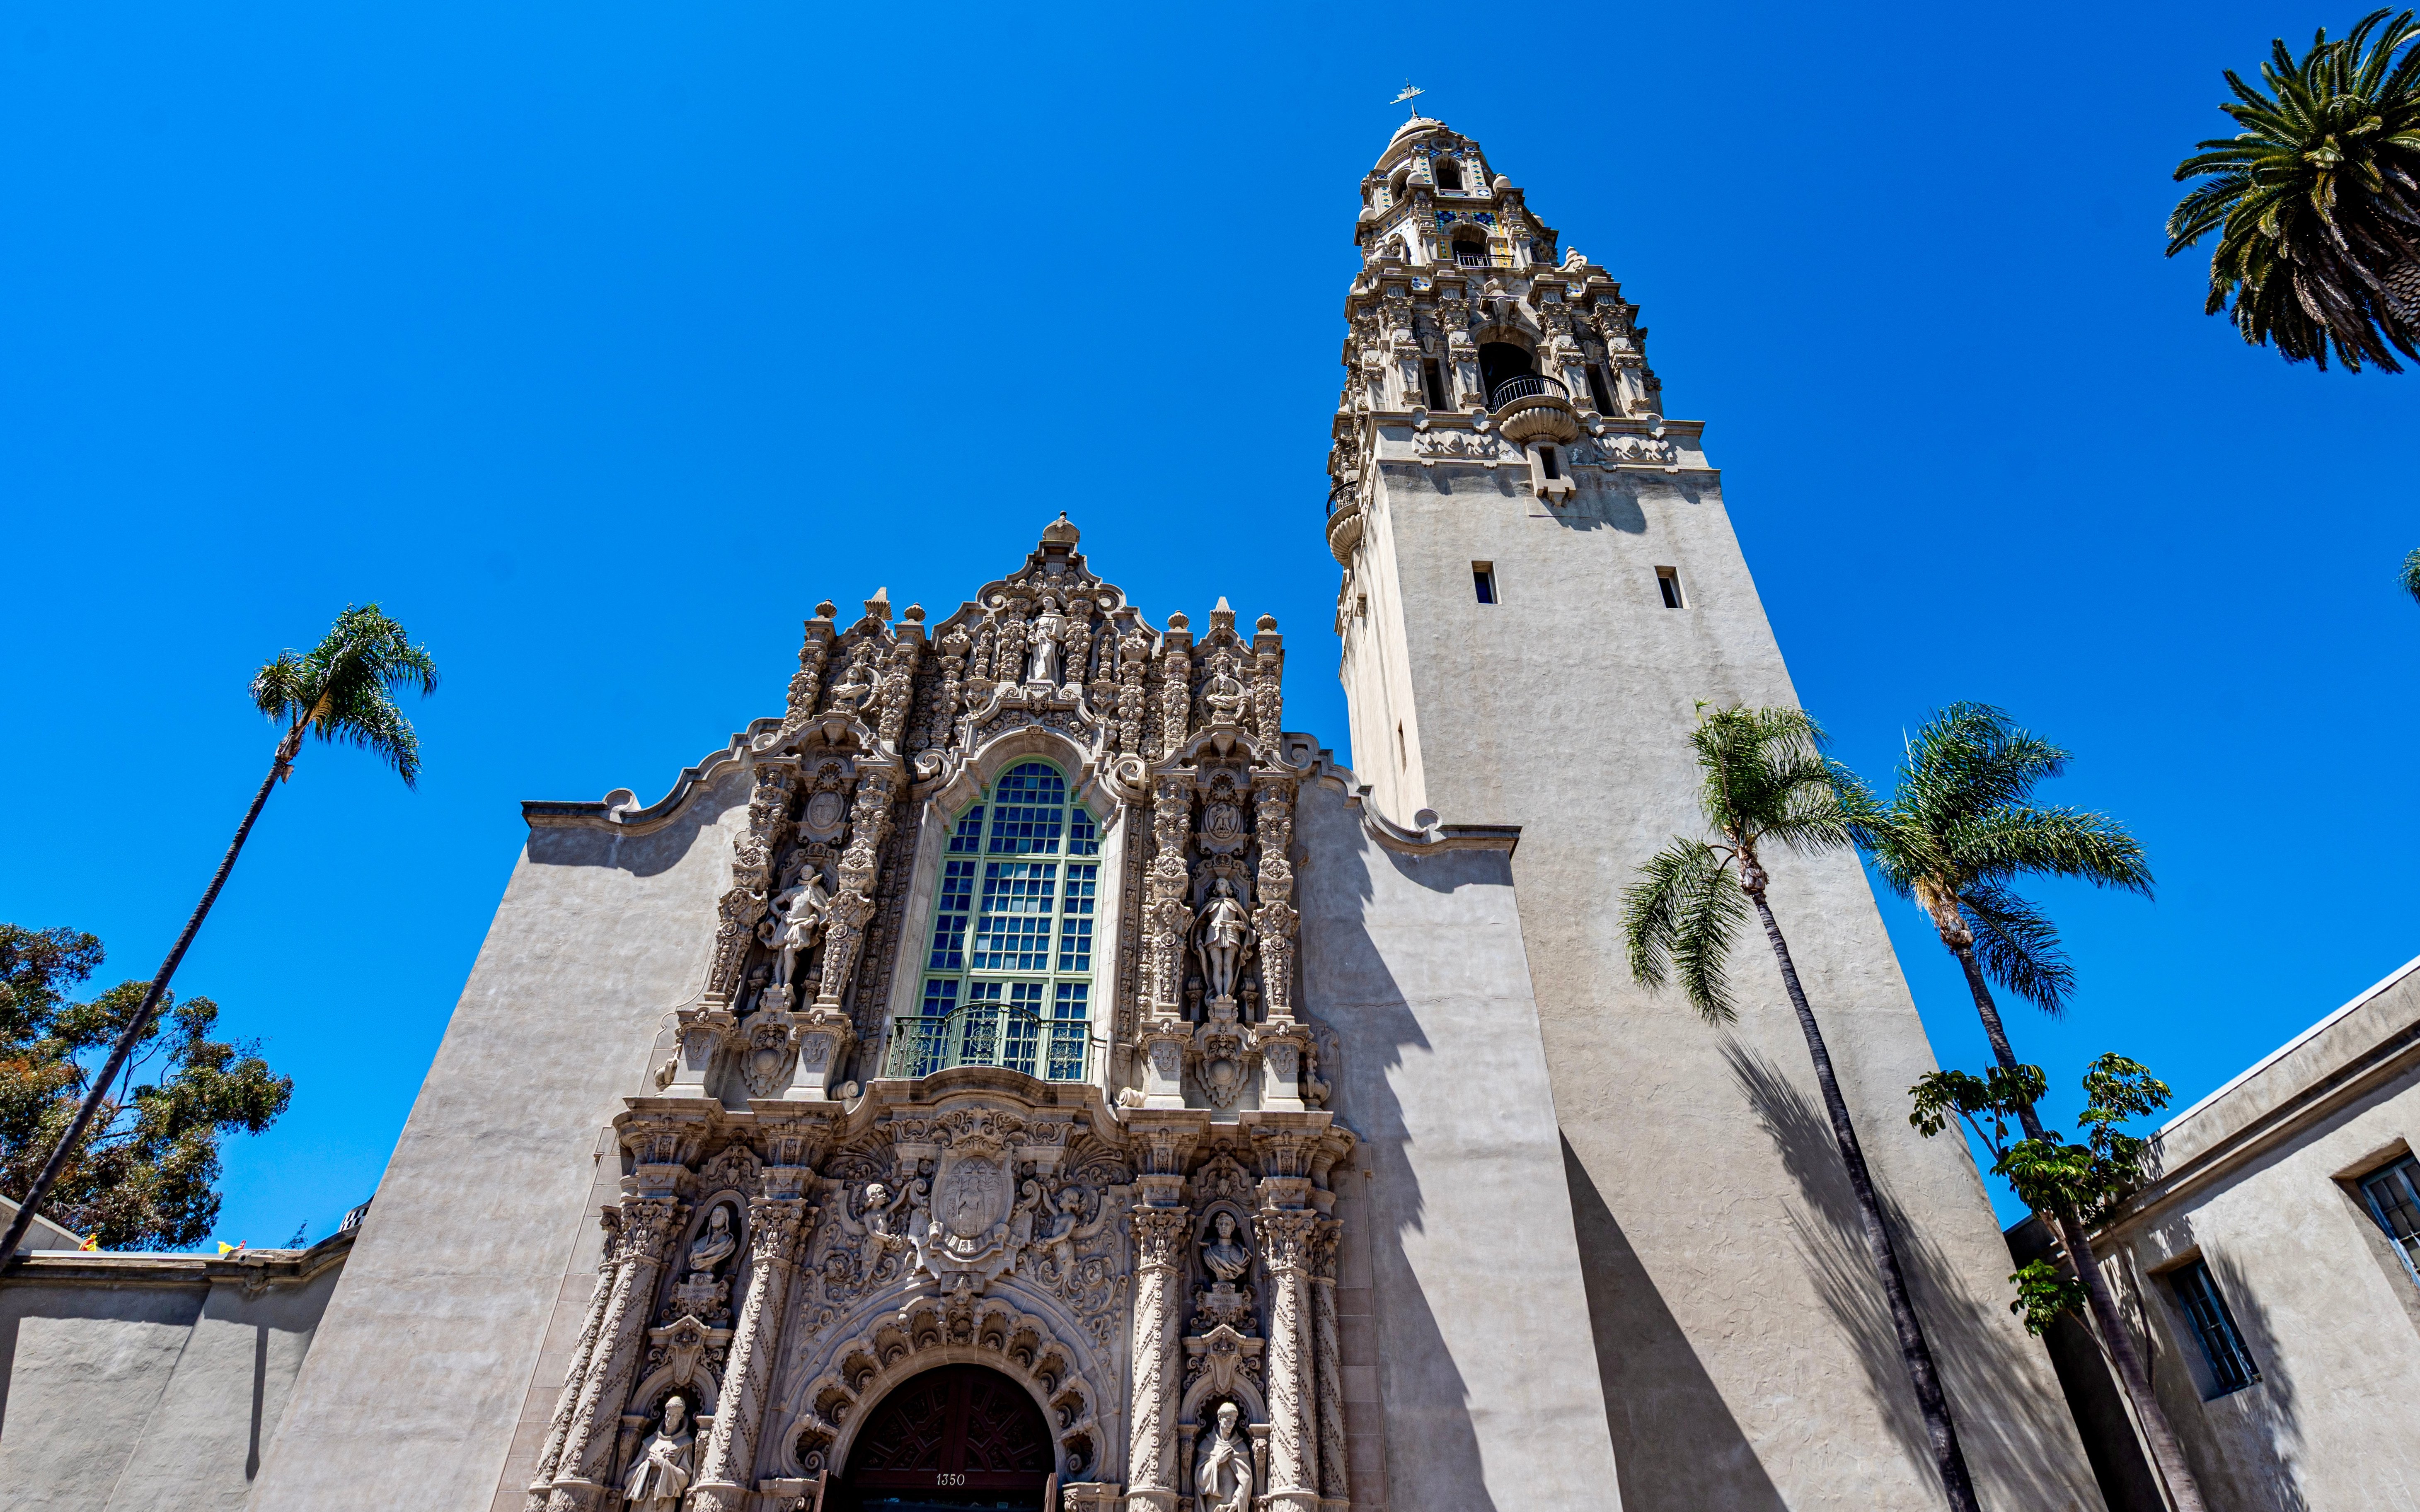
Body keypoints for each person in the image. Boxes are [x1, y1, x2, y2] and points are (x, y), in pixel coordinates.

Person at [623, 1395, 695, 1512]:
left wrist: (663, 1464)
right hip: (642, 1500)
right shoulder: (650, 1443)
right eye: (668, 1414)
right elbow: (629, 1478)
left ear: (681, 1417)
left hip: (665, 1501)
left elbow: (684, 1479)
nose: (670, 1419)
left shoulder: (685, 1444)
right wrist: (649, 1464)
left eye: (674, 1416)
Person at [1193, 1401, 1252, 1512]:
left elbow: (1246, 1482)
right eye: (1228, 1420)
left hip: (1232, 1509)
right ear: (1220, 1418)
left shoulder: (1240, 1447)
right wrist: (1217, 1461)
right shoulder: (1207, 1445)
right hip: (1212, 1508)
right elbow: (1200, 1481)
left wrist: (1235, 1503)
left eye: (1234, 1421)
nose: (1231, 1425)